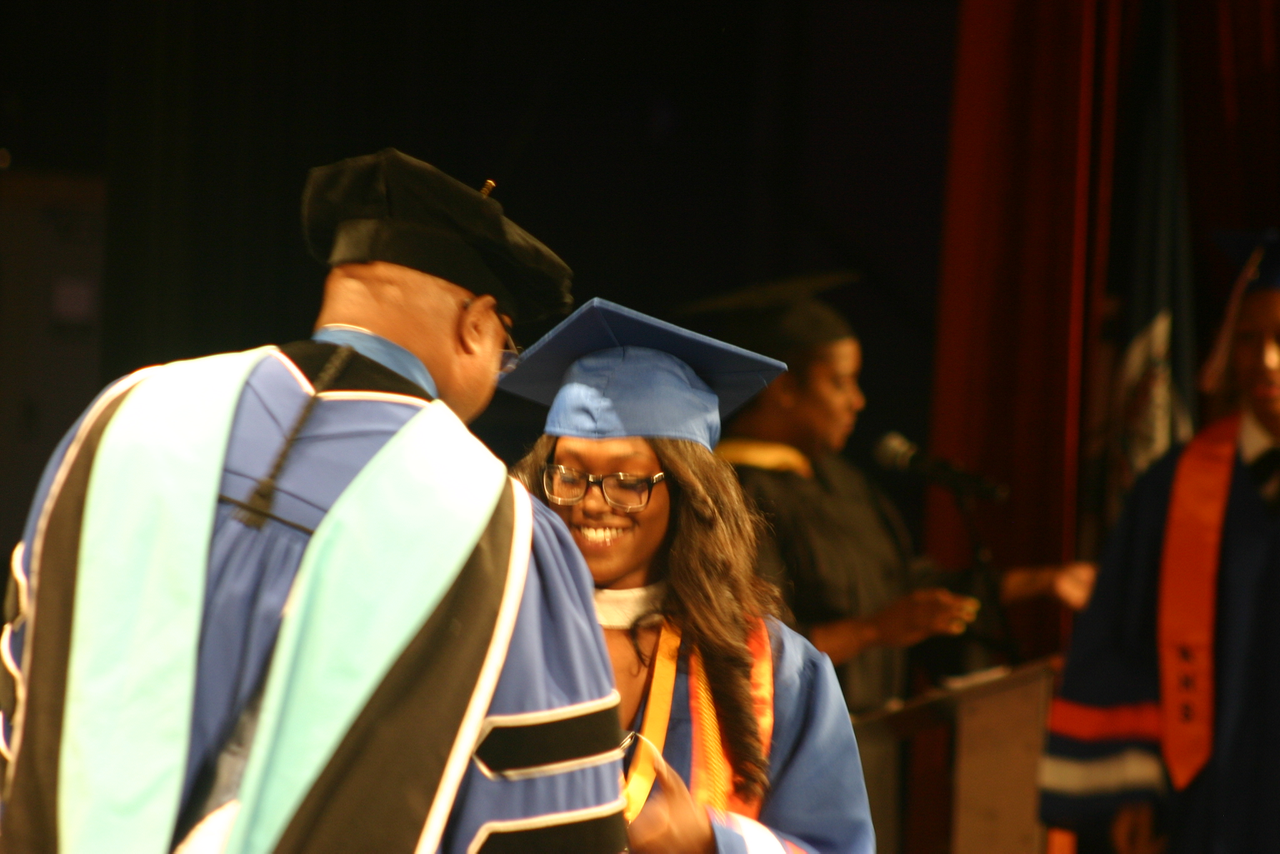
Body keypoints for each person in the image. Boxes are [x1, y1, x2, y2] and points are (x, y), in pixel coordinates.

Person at [0, 150, 626, 854]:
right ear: (476, 325)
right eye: (505, 347)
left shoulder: (126, 418)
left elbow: (24, 703)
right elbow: (545, 826)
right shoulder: (499, 529)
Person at [695, 295, 1093, 854]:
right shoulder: (733, 493)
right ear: (784, 388)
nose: (857, 402)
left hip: (874, 749)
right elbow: (751, 643)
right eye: (840, 383)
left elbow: (908, 586)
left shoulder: (847, 484)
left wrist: (1041, 582)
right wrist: (875, 631)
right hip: (783, 756)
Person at [501, 297, 875, 854]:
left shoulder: (773, 667)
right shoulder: (496, 634)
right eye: (570, 475)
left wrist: (712, 840)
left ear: (687, 492)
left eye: (628, 480)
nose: (592, 503)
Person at [1040, 234, 1280, 854]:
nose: (1266, 360)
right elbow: (1123, 640)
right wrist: (1130, 787)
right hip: (1200, 803)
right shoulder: (1175, 490)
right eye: (1248, 339)